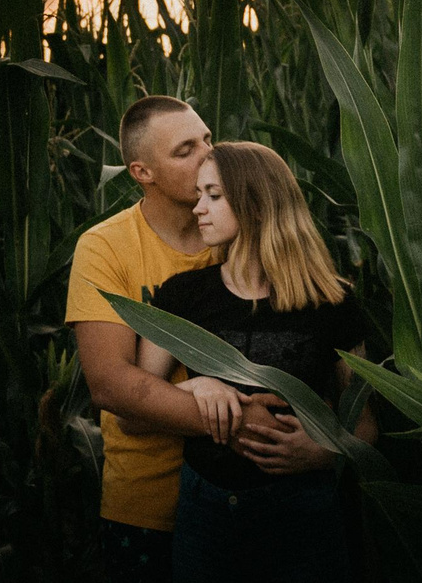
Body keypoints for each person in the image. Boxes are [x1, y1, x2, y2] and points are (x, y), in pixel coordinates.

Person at [68, 99, 333, 579]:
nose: (208, 153)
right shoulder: (106, 247)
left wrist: (322, 450)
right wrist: (243, 419)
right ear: (142, 172)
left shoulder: (242, 244)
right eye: (185, 150)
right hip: (147, 504)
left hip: (266, 501)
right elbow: (109, 386)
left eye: (208, 139)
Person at [137, 141, 376, 582]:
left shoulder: (332, 302)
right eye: (199, 195)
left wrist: (323, 452)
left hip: (304, 511)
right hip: (207, 508)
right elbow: (136, 410)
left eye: (214, 195)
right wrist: (195, 386)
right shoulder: (182, 296)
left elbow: (365, 427)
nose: (198, 210)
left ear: (257, 204)